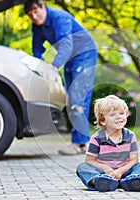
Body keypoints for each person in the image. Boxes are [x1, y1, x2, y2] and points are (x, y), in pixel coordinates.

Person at [24, 0, 98, 155]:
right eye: (30, 16)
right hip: (71, 59)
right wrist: (37, 67)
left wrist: (54, 66)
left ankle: (79, 143)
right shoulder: (37, 26)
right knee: (71, 99)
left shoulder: (59, 17)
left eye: (36, 12)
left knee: (77, 99)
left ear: (43, 7)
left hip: (84, 55)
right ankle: (83, 143)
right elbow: (37, 48)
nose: (35, 17)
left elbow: (66, 44)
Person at [76, 95, 140, 192]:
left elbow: (134, 160)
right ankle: (100, 181)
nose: (118, 117)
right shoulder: (97, 138)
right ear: (103, 121)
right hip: (104, 173)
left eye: (122, 113)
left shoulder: (130, 135)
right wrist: (106, 169)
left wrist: (120, 171)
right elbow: (90, 160)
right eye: (112, 115)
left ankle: (131, 181)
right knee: (82, 167)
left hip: (125, 172)